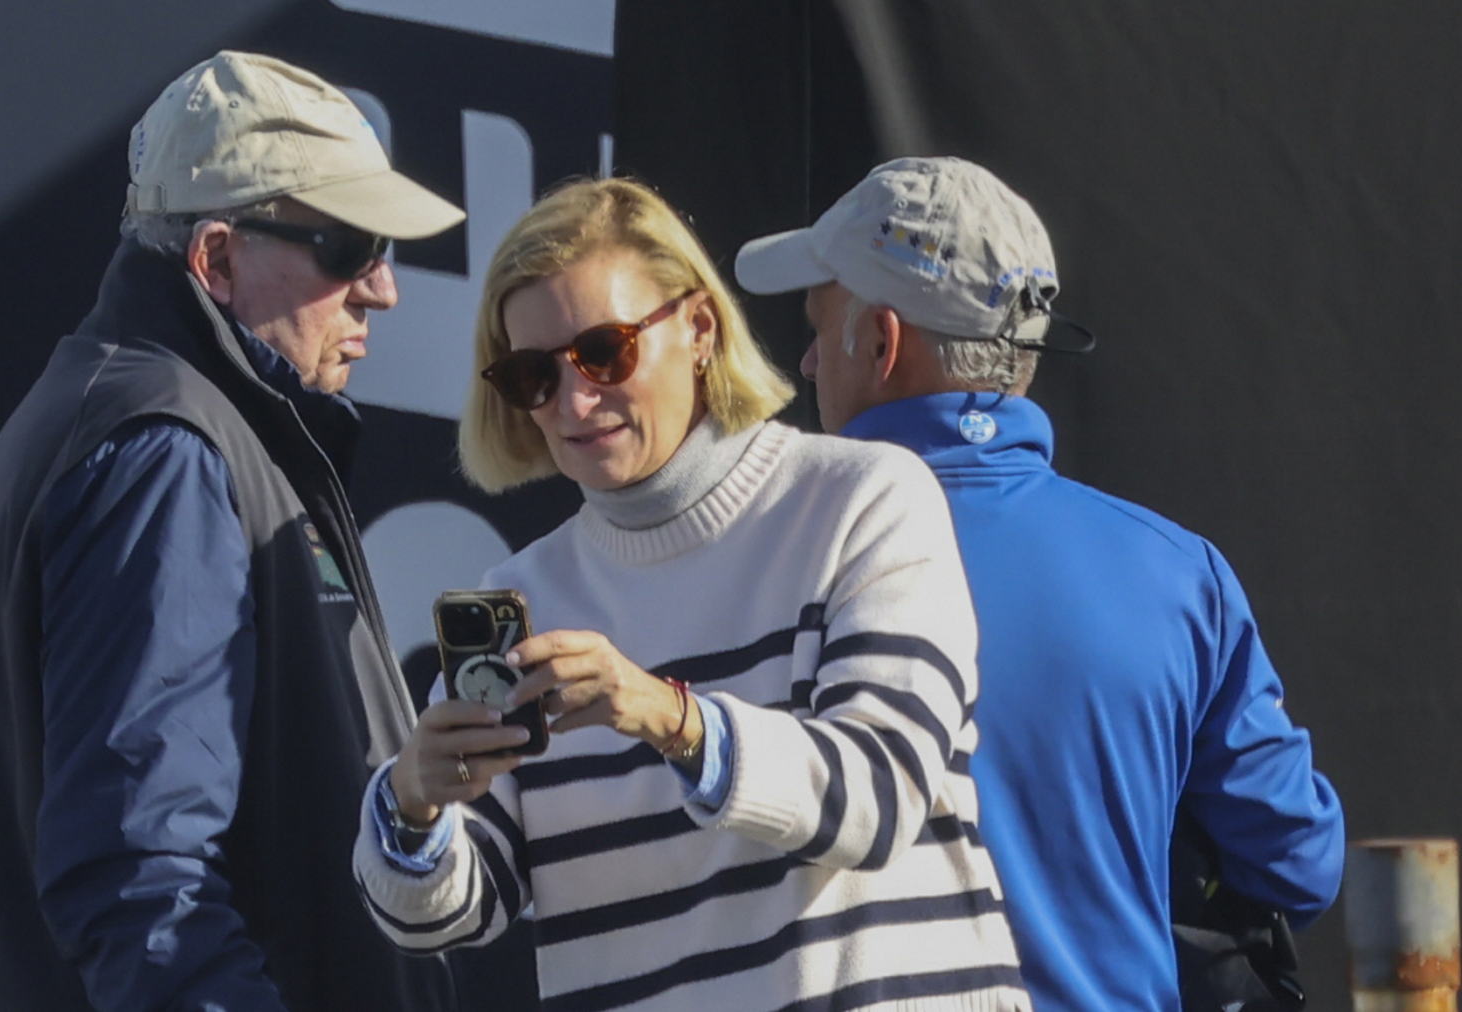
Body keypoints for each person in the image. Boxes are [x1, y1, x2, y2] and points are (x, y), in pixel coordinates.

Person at [352, 177, 1030, 1011]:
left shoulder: (865, 498)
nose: (573, 401)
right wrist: (413, 803)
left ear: (700, 328)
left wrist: (669, 717)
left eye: (605, 351)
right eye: (533, 375)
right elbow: (451, 917)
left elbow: (879, 796)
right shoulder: (523, 595)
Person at [733, 156, 1345, 1010]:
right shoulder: (1178, 574)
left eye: (816, 322)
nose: (802, 360)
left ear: (880, 341)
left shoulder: (761, 562)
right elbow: (1299, 862)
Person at [0, 51, 464, 1011]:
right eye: (348, 247)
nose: (381, 290)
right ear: (216, 258)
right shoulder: (163, 448)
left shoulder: (132, 416)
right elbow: (141, 878)